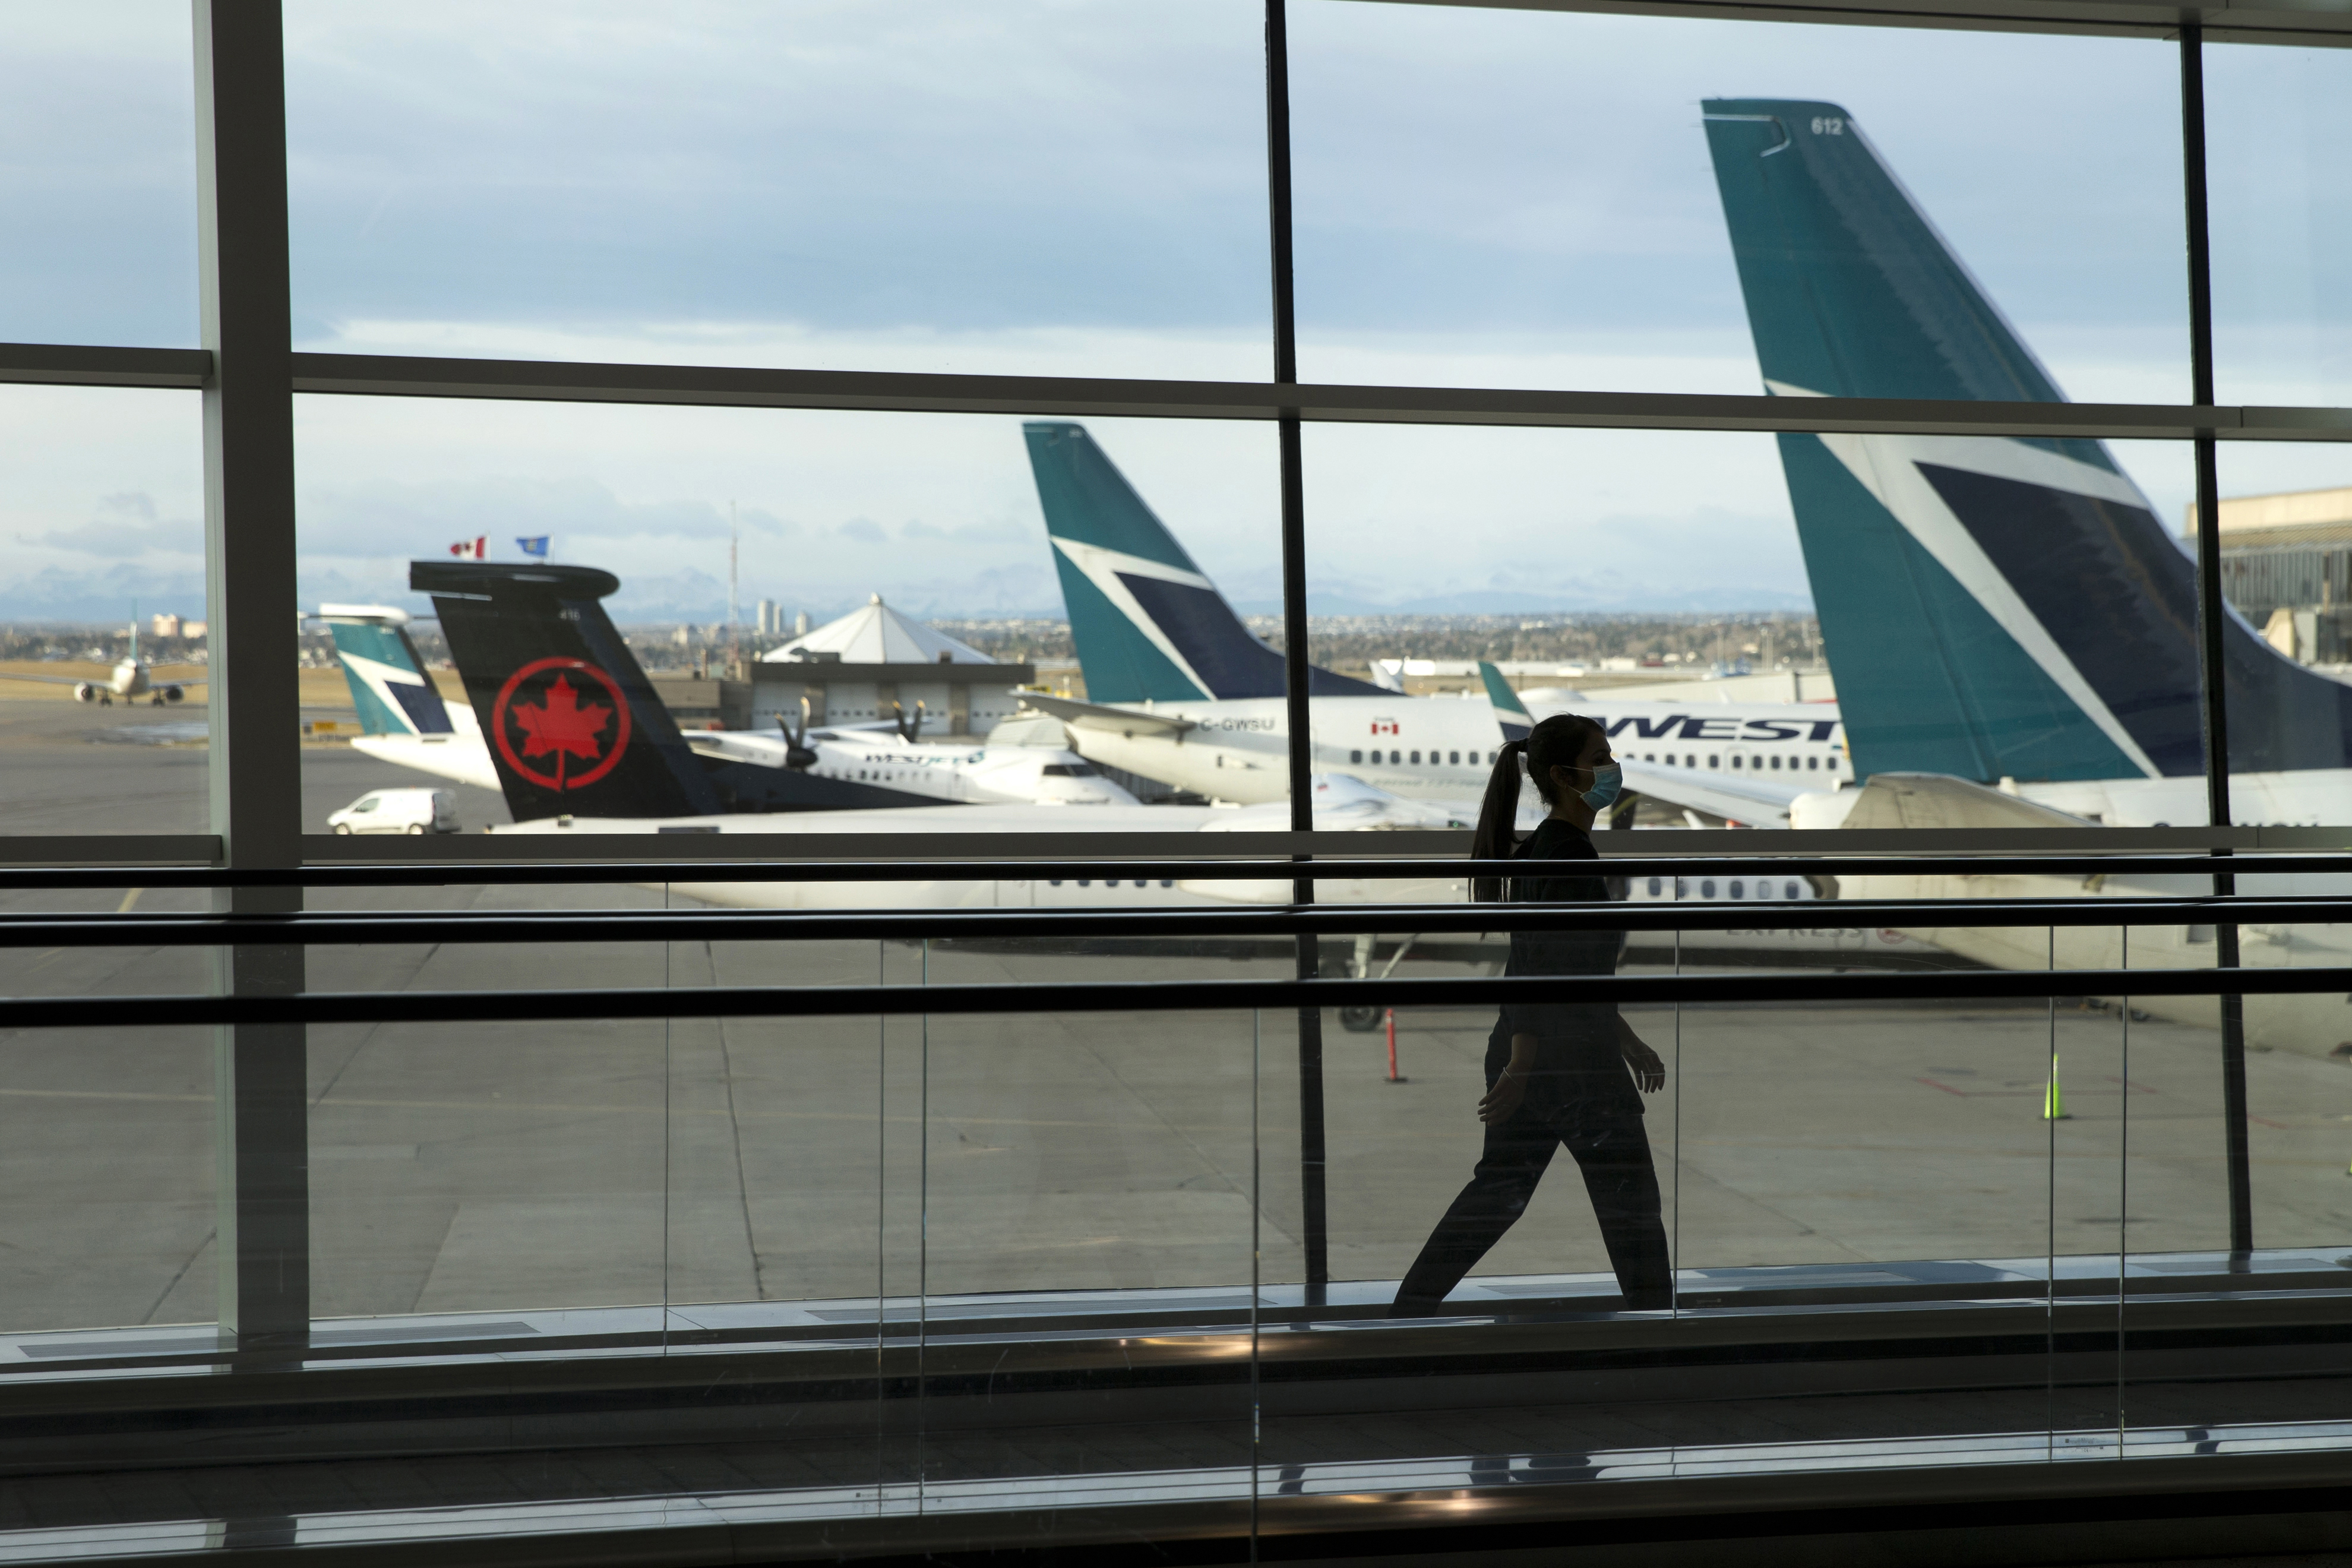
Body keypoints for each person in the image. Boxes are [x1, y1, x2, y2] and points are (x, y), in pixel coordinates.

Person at [1390, 713, 1672, 1316]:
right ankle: (1658, 1332)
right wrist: (1523, 1066)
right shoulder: (1569, 858)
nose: (1612, 768)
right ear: (1563, 776)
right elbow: (1540, 970)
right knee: (1631, 1206)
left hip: (1548, 1052)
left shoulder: (1547, 845)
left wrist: (1625, 1041)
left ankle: (1408, 1310)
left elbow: (1566, 969)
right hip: (1569, 1065)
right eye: (1599, 758)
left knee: (1499, 1192)